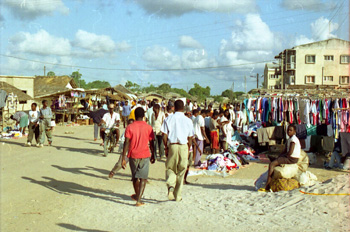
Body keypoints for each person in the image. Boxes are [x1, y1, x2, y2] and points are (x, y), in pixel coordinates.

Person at [121, 108, 155, 206]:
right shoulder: (148, 127)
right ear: (144, 116)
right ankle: (139, 199)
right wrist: (153, 154)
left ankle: (137, 195)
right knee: (143, 178)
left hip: (133, 155)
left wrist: (123, 158)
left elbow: (126, 142)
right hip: (144, 154)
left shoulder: (130, 127)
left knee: (135, 177)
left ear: (134, 116)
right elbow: (152, 142)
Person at [161, 100, 194, 202]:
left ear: (174, 107)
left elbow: (164, 135)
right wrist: (188, 148)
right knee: (181, 170)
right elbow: (190, 137)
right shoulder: (188, 120)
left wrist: (166, 147)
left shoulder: (168, 119)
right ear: (183, 108)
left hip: (173, 145)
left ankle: (171, 186)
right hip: (184, 146)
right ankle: (178, 195)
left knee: (170, 168)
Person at [264, 124, 301, 190]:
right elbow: (285, 150)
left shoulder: (293, 139)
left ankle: (268, 185)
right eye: (288, 130)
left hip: (292, 159)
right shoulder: (290, 139)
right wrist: (279, 156)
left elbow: (290, 153)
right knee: (275, 160)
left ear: (294, 131)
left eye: (291, 130)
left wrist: (281, 157)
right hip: (290, 157)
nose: (289, 131)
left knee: (272, 164)